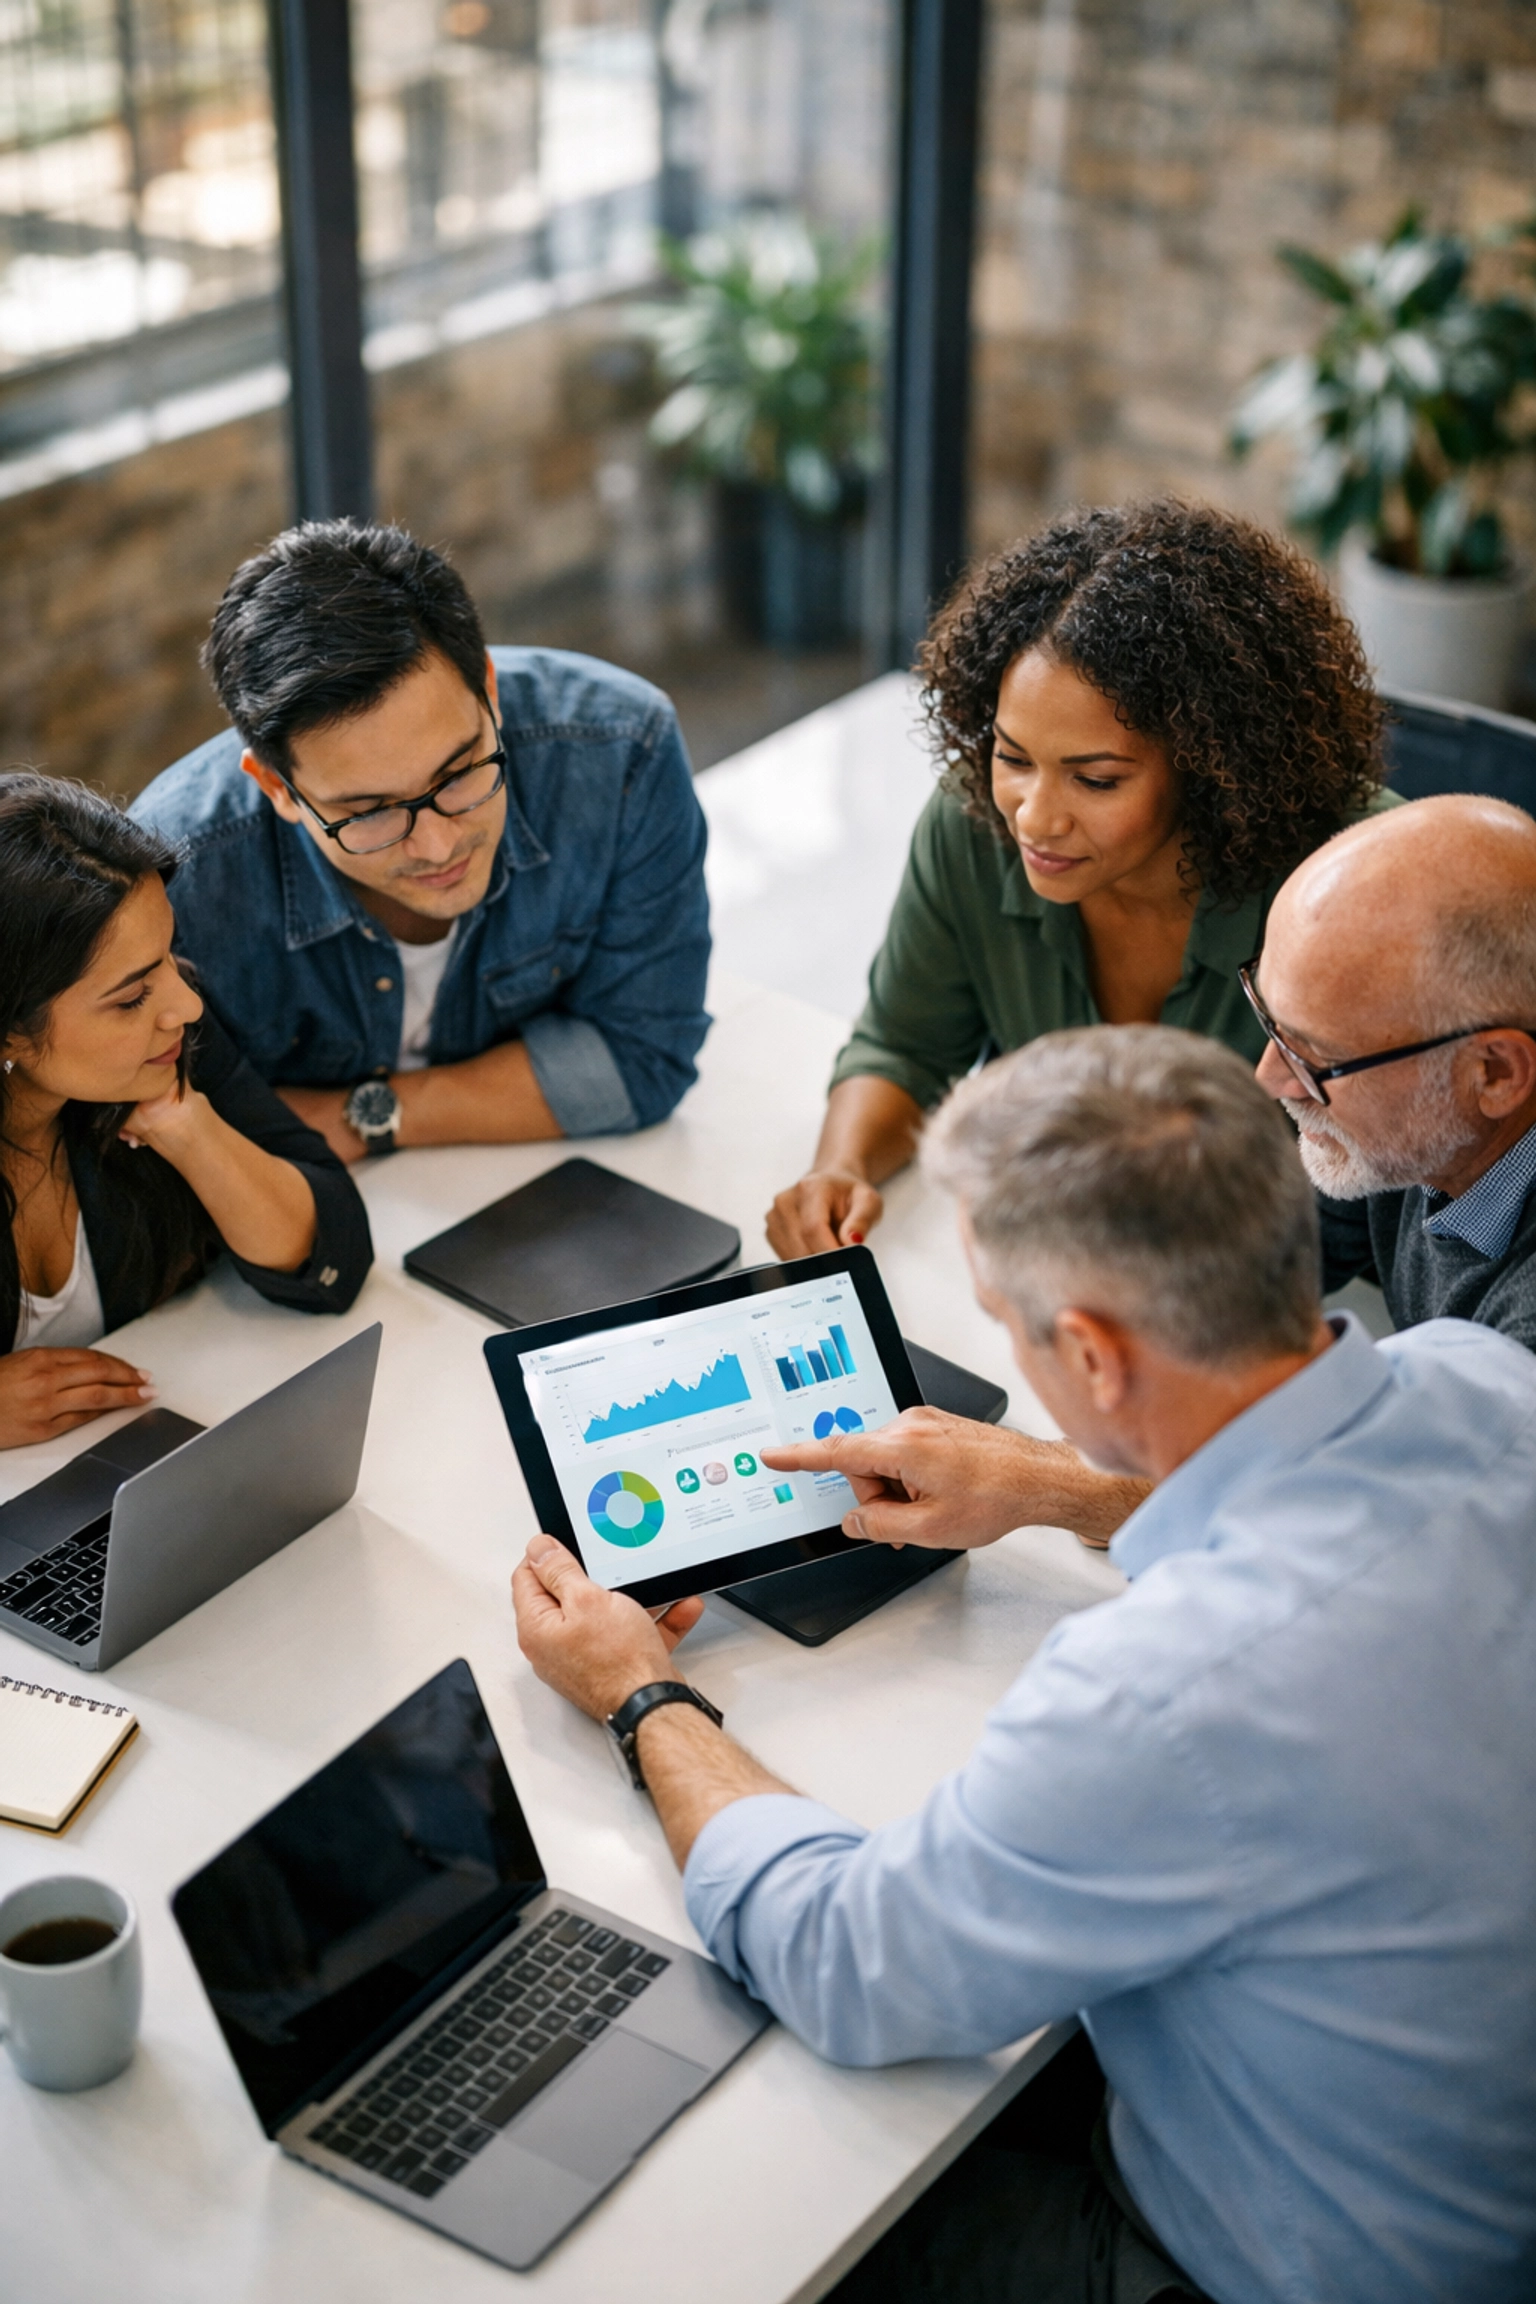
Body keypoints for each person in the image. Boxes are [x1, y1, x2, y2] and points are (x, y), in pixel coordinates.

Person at [513, 1028, 1536, 2304]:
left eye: (1011, 1324)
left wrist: (642, 1694)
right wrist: (1058, 1488)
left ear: (1094, 1358)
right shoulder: (1484, 1377)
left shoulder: (1154, 1694)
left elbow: (843, 1962)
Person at [791, 789, 1536, 1557]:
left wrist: (1050, 1482)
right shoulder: (1411, 1124)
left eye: (1316, 1058)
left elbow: (1383, 1523)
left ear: (1496, 1072)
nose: (1271, 1078)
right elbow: (1225, 1299)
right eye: (1269, 1020)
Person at [767, 498, 1399, 1258]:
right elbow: (905, 1047)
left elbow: (1406, 1186)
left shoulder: (1359, 880)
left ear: (1210, 765)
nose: (1033, 818)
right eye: (1011, 757)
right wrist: (840, 1167)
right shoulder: (973, 827)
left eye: (1095, 780)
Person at [130, 520, 710, 1164]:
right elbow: (157, 1131)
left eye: (460, 774)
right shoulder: (176, 877)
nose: (437, 847)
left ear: (488, 690)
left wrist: (359, 1119)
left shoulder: (622, 750)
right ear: (277, 788)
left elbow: (645, 1056)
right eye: (369, 812)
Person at [0, 776, 371, 1450]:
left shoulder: (164, 1044)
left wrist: (189, 1129)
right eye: (130, 997)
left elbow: (333, 1261)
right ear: (10, 1033)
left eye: (167, 957)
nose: (186, 1005)